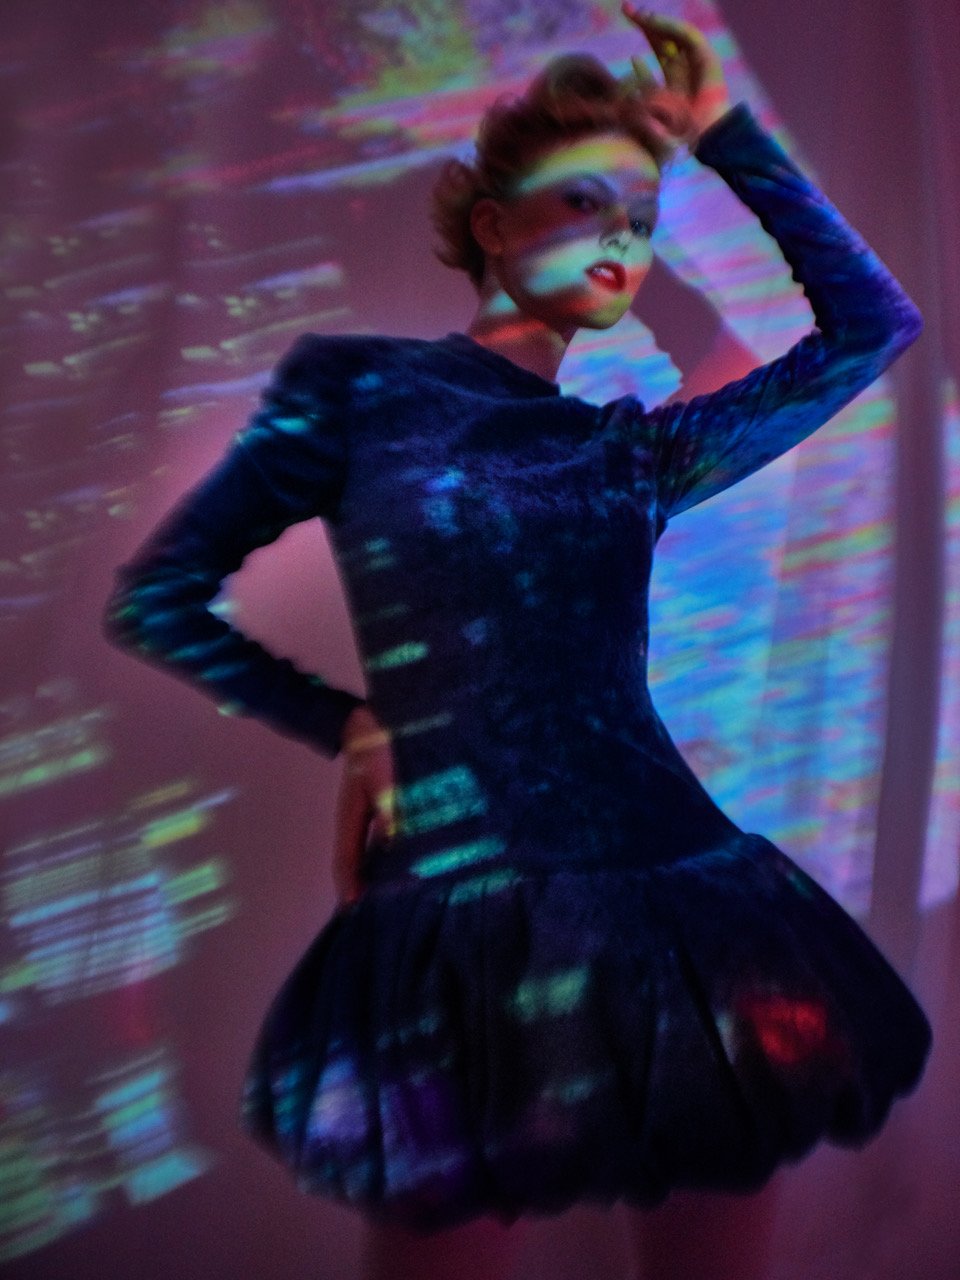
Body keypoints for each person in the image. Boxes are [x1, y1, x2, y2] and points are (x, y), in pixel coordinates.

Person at [102, 6, 933, 1278]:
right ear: (490, 226)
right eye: (584, 201)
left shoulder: (629, 449)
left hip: (674, 902)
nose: (619, 236)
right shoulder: (355, 389)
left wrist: (722, 134)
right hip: (456, 912)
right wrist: (351, 723)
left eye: (639, 218)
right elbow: (158, 597)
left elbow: (871, 324)